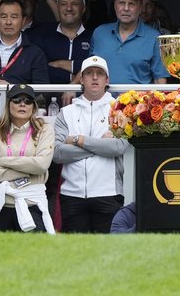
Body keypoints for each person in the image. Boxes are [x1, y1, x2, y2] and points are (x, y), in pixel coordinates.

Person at [53, 55, 126, 233]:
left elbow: (118, 147)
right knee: (76, 254)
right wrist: (100, 146)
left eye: (99, 73)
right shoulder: (66, 112)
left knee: (107, 254)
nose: (94, 77)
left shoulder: (118, 109)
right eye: (89, 73)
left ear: (107, 80)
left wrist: (79, 140)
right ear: (81, 79)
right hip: (72, 194)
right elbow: (57, 153)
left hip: (108, 193)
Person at [0, 83, 55, 232]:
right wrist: (28, 170)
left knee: (35, 255)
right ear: (8, 104)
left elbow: (42, 165)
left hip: (31, 205)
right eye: (17, 100)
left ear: (34, 106)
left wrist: (4, 161)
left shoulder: (44, 130)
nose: (22, 104)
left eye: (28, 100)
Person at [91, 0, 170, 84]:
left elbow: (160, 79)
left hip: (138, 99)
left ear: (140, 7)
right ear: (115, 5)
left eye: (131, 4)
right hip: (102, 99)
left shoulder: (154, 37)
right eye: (122, 3)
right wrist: (72, 86)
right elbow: (89, 69)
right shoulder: (99, 33)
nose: (126, 8)